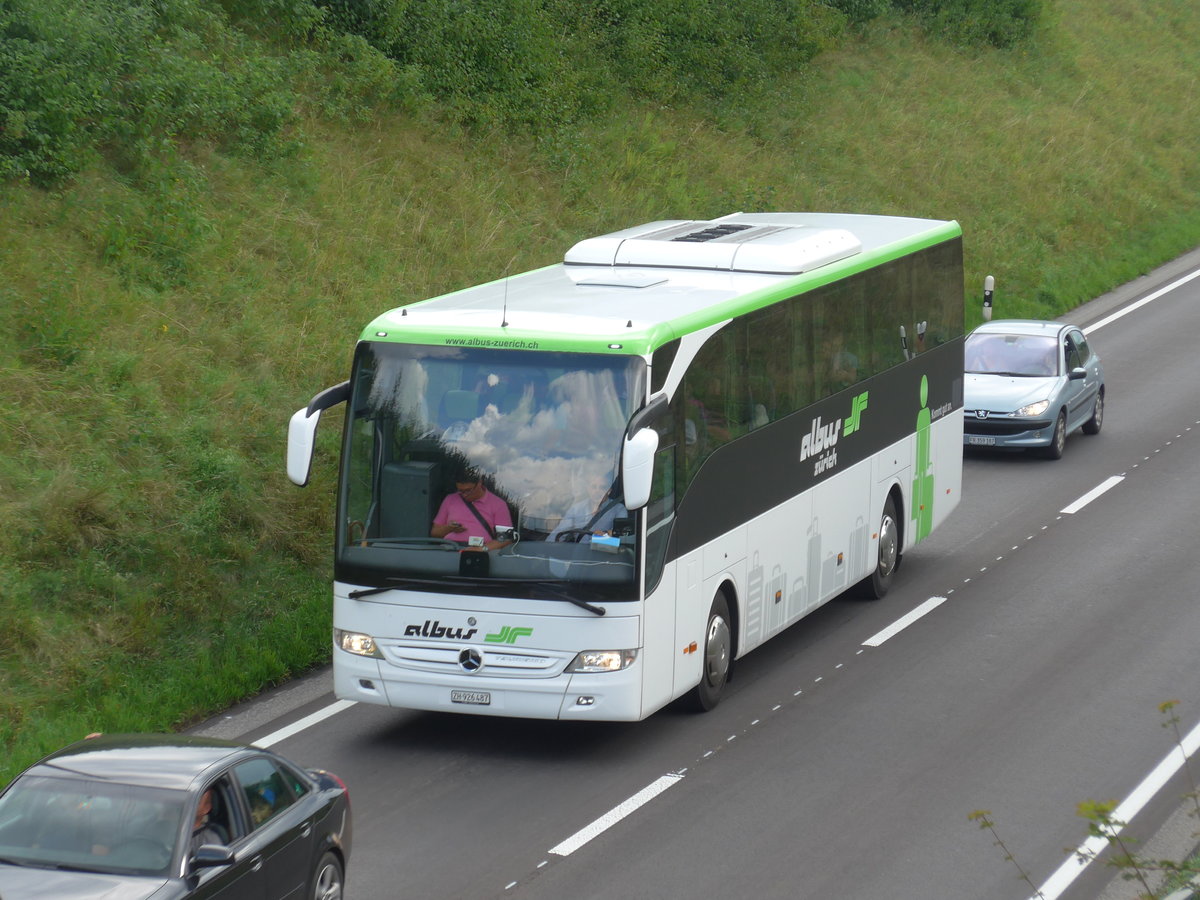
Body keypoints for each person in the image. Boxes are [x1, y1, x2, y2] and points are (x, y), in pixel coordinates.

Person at [431, 467, 514, 550]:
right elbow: (434, 533)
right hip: (450, 548)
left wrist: (482, 549)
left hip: (483, 551)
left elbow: (505, 539)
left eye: (468, 490)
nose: (464, 495)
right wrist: (448, 528)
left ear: (479, 483)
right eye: (460, 491)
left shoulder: (498, 504)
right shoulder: (450, 499)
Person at [548, 471, 627, 543]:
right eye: (593, 487)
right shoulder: (576, 509)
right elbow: (557, 534)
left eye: (602, 488)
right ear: (588, 489)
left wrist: (606, 535)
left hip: (603, 555)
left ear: (609, 491)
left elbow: (622, 539)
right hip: (577, 555)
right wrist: (545, 550)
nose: (597, 491)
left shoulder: (619, 509)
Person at [190, 789, 225, 854]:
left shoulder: (210, 840)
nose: (189, 805)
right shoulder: (168, 829)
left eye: (196, 802)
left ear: (207, 808)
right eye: (188, 801)